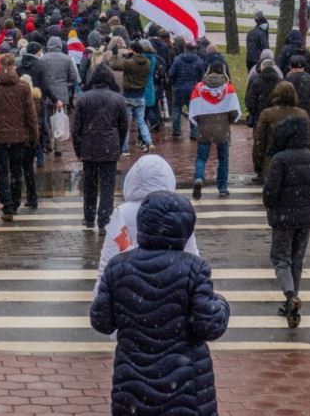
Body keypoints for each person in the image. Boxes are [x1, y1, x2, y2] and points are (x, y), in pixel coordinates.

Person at [91, 191, 230, 416]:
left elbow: (101, 321)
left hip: (133, 387)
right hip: (186, 387)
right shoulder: (194, 269)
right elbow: (210, 326)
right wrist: (222, 304)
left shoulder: (118, 267)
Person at [93, 156, 201, 293]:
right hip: (171, 291)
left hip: (130, 292)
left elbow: (107, 261)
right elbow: (193, 258)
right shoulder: (177, 211)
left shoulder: (120, 213)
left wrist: (99, 296)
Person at [263, 115, 310, 328]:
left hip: (283, 216)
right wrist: (306, 200)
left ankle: (290, 296)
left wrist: (272, 204)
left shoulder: (280, 159)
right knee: (297, 259)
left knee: (281, 258)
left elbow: (271, 191)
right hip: (305, 216)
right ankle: (293, 300)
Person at [0, 53, 38, 221]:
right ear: (14, 66)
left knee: (2, 171)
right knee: (16, 170)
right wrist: (34, 134)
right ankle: (15, 201)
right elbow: (30, 114)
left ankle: (7, 206)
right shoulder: (23, 87)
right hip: (18, 136)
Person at [72, 64, 129, 231]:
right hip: (109, 147)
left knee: (89, 185)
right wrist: (118, 145)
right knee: (107, 186)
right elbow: (124, 126)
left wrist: (78, 149)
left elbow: (76, 128)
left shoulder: (84, 98)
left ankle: (89, 217)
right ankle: (104, 221)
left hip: (89, 147)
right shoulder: (118, 99)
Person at [189, 61, 241, 200]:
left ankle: (199, 177)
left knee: (201, 157)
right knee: (223, 159)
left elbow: (194, 108)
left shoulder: (199, 87)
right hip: (222, 127)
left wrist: (199, 122)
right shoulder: (228, 89)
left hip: (204, 127)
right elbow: (234, 112)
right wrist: (228, 121)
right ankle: (222, 187)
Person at [253, 81, 309, 180]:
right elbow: (307, 140)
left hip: (272, 160)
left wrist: (258, 163)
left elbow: (259, 141)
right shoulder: (302, 114)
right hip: (296, 162)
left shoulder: (267, 113)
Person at [110, 40, 153, 154]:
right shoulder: (147, 62)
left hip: (129, 95)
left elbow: (114, 65)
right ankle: (148, 142)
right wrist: (130, 56)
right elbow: (136, 64)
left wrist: (115, 55)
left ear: (133, 50)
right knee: (141, 121)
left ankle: (125, 149)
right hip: (141, 95)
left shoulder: (129, 63)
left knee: (126, 124)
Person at [40, 36, 78, 157]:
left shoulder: (43, 58)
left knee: (47, 119)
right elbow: (74, 76)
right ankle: (58, 146)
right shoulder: (67, 59)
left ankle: (48, 143)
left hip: (47, 93)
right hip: (62, 93)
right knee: (60, 120)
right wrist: (65, 82)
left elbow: (40, 75)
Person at [167, 41, 205, 139]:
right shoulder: (199, 61)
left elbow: (171, 73)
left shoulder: (178, 59)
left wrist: (175, 82)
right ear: (194, 49)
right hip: (193, 90)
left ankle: (176, 131)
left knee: (176, 109)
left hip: (179, 88)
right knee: (193, 111)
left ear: (185, 48)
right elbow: (203, 76)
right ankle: (194, 133)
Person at [245, 51, 281, 137]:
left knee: (259, 139)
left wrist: (254, 112)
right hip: (275, 116)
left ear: (262, 67)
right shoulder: (280, 82)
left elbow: (250, 102)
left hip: (259, 116)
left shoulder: (256, 81)